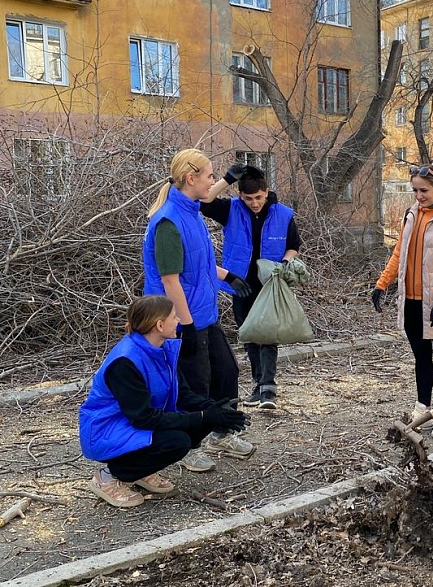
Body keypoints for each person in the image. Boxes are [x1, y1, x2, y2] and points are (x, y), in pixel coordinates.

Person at [79, 296, 251, 508]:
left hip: (132, 423)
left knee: (204, 421)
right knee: (177, 442)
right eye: (173, 316)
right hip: (106, 429)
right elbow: (143, 418)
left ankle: (141, 472)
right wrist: (203, 416)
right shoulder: (125, 361)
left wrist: (213, 409)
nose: (178, 320)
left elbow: (183, 394)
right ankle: (107, 477)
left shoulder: (163, 348)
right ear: (159, 325)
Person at [143, 148, 255, 472]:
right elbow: (170, 280)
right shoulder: (168, 223)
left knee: (227, 372)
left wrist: (227, 276)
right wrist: (186, 327)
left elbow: (200, 263)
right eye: (209, 176)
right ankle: (190, 445)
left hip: (203, 313)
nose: (213, 182)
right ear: (191, 179)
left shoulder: (190, 212)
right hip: (179, 318)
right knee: (194, 383)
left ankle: (221, 432)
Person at [372, 163, 433, 439]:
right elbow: (399, 253)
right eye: (415, 190)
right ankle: (422, 408)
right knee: (421, 357)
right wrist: (382, 283)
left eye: (423, 190)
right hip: (412, 301)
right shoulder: (412, 214)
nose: (419, 195)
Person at [200, 163, 301, 409]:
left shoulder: (283, 214)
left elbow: (294, 245)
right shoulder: (231, 210)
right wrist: (226, 179)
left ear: (266, 192)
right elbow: (203, 201)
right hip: (240, 282)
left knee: (267, 334)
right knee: (248, 334)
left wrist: (286, 263)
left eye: (258, 197)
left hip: (269, 285)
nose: (254, 203)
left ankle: (268, 387)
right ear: (240, 196)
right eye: (248, 198)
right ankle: (259, 385)